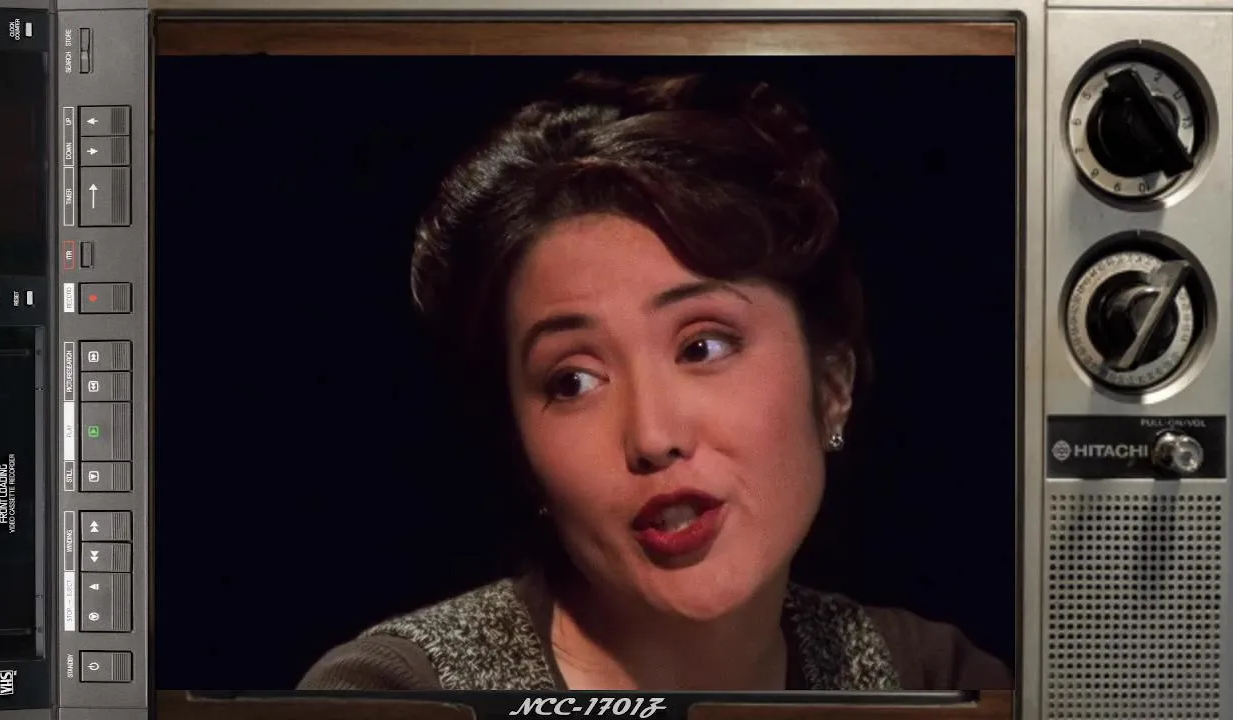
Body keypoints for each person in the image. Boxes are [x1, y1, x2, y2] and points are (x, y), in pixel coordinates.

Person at [299, 72, 1012, 692]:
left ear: (832, 386)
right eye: (573, 382)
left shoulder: (932, 679)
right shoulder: (397, 693)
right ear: (521, 448)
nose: (652, 436)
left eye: (703, 346)